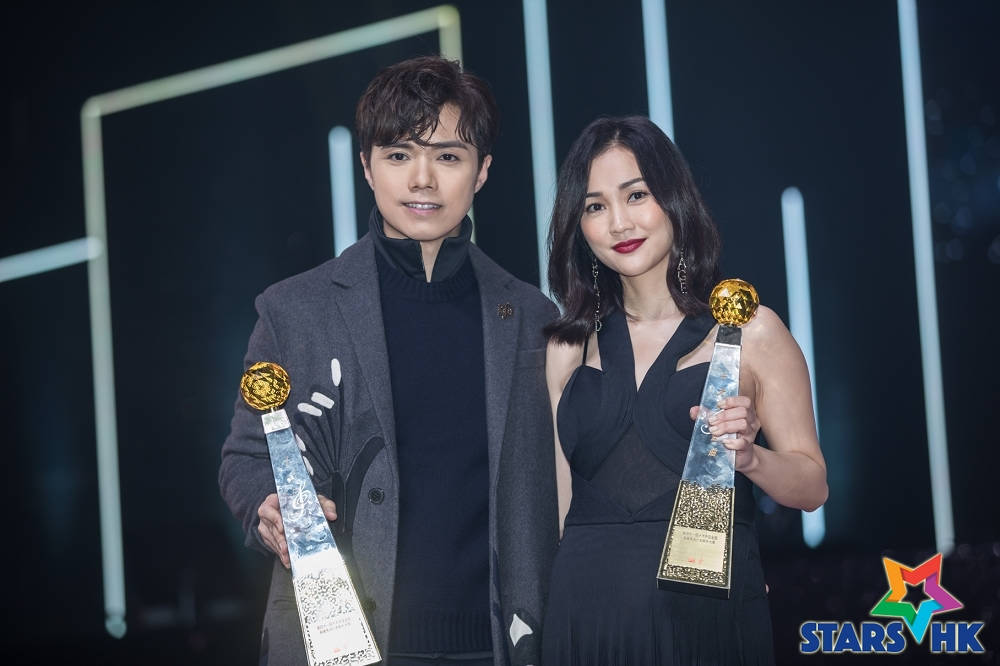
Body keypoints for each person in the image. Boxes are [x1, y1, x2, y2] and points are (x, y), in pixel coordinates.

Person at [219, 56, 559, 666]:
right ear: (367, 166)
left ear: (481, 171)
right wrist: (269, 505)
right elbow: (245, 458)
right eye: (399, 154)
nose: (422, 180)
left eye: (448, 156)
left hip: (498, 645)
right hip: (339, 641)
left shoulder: (532, 317)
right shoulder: (293, 311)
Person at [541, 116, 828, 664]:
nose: (619, 222)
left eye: (636, 195)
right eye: (595, 206)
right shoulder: (566, 347)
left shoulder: (749, 331)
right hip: (582, 621)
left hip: (704, 622)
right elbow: (560, 510)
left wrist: (751, 459)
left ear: (674, 199)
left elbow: (812, 487)